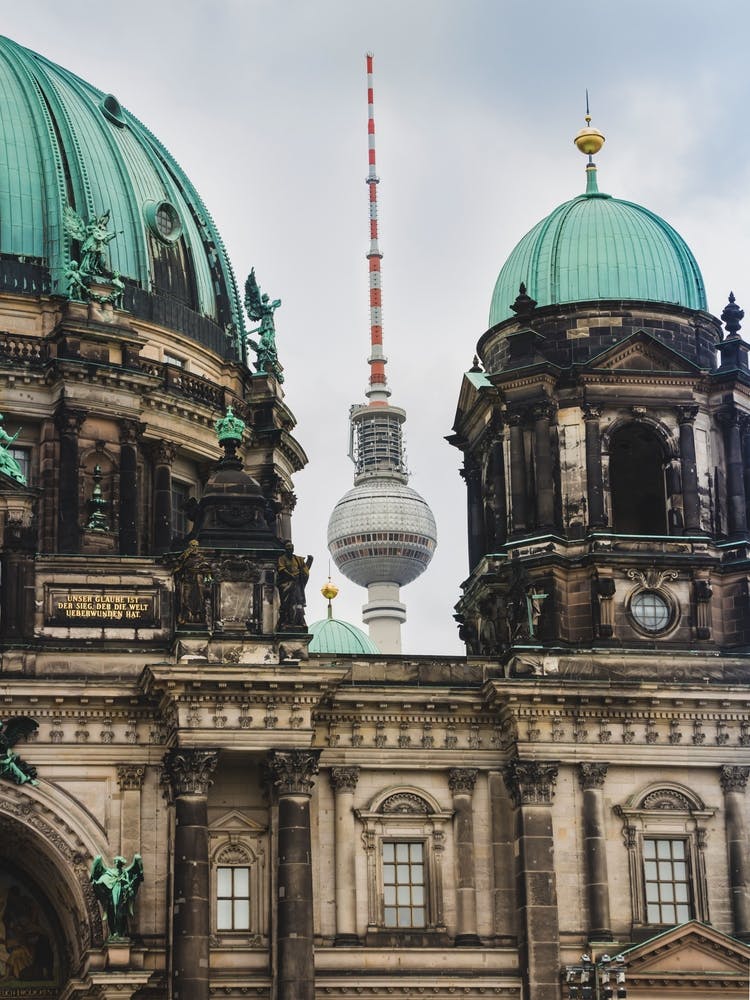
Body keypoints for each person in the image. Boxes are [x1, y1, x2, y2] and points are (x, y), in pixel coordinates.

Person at [90, 855, 144, 939]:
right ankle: (114, 932)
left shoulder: (125, 873)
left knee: (121, 912)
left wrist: (128, 884)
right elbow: (103, 879)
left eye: (117, 862)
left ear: (121, 863)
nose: (116, 863)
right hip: (113, 893)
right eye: (115, 862)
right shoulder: (110, 872)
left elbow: (128, 882)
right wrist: (96, 882)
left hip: (122, 895)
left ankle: (120, 932)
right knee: (113, 909)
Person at [277, 541, 313, 628]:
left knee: (299, 601)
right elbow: (281, 569)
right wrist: (291, 575)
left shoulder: (297, 559)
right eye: (288, 548)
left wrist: (310, 561)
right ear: (285, 550)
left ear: (293, 549)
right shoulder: (282, 558)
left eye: (291, 548)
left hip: (297, 583)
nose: (290, 550)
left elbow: (304, 570)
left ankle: (300, 620)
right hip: (287, 583)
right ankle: (287, 620)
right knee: (287, 602)